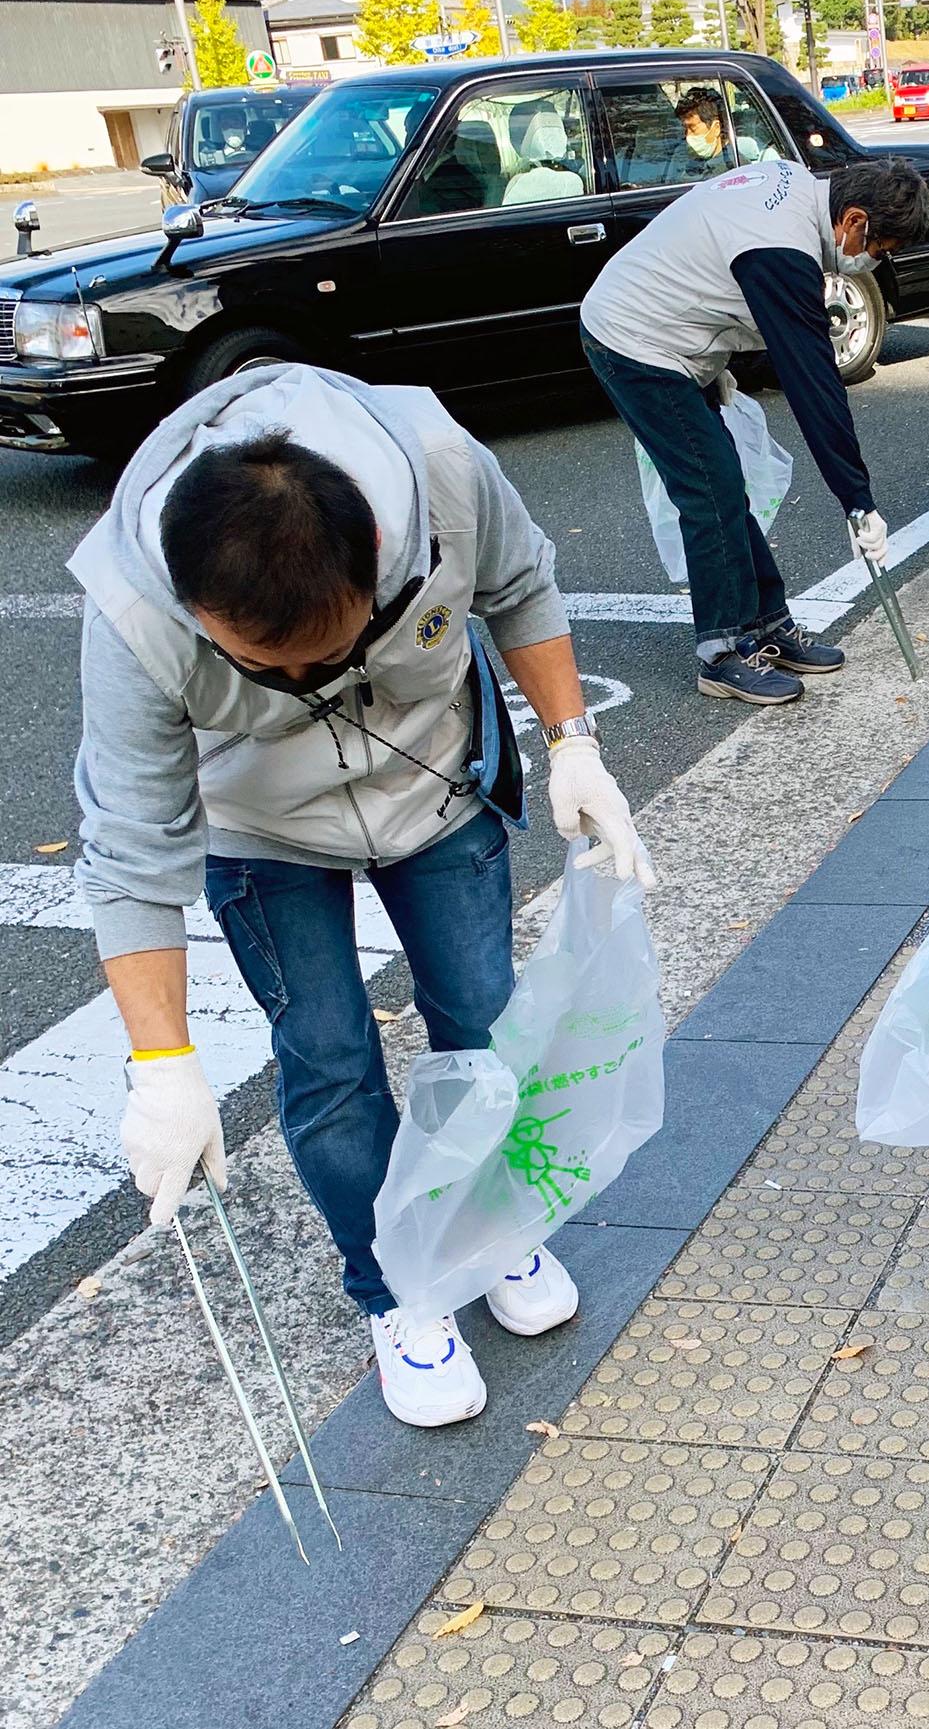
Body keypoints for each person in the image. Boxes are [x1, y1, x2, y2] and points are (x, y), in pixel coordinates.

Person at [70, 364, 654, 1429]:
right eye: (262, 670)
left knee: (481, 1013)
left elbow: (520, 583)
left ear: (376, 561)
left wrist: (575, 743)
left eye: (325, 657)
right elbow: (130, 851)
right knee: (329, 1056)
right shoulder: (133, 611)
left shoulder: (439, 472)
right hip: (259, 821)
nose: (300, 685)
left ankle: (490, 1222)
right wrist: (162, 1066)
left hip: (433, 780)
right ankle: (395, 1289)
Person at [579, 158, 929, 705]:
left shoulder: (797, 188)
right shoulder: (781, 251)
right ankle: (720, 653)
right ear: (854, 220)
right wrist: (856, 499)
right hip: (634, 340)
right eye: (878, 249)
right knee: (710, 487)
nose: (872, 263)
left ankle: (767, 625)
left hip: (672, 335)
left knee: (725, 480)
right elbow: (814, 386)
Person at [663, 85, 733, 183]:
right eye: (685, 129)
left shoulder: (734, 169)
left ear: (716, 128)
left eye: (692, 128)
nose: (687, 137)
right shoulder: (683, 159)